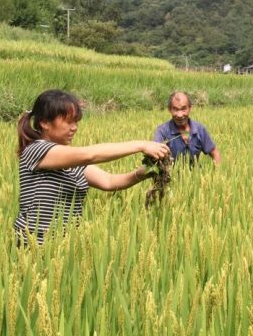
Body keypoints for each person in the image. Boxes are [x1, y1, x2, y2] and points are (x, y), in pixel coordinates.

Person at [13, 89, 170, 245]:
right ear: (45, 123)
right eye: (69, 122)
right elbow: (90, 155)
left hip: (66, 246)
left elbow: (109, 182)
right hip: (35, 245)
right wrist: (141, 145)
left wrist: (144, 173)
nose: (74, 127)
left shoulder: (71, 162)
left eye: (76, 122)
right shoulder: (36, 150)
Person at [153, 91, 221, 165]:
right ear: (170, 109)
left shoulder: (199, 129)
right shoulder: (162, 131)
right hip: (170, 175)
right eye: (175, 109)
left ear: (190, 108)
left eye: (183, 109)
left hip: (195, 175)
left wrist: (217, 174)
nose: (180, 115)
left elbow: (214, 153)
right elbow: (155, 154)